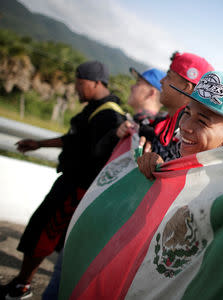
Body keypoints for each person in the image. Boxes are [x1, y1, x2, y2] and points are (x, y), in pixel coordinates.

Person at [1, 61, 126, 300]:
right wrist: (39, 143)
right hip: (70, 184)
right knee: (42, 233)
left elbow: (100, 158)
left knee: (44, 235)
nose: (77, 88)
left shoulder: (109, 115)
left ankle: (22, 287)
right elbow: (74, 139)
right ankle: (21, 283)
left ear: (97, 83)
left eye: (81, 83)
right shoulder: (95, 108)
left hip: (77, 189)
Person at [136, 70, 223, 180]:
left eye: (202, 122)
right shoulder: (175, 150)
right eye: (187, 113)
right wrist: (156, 165)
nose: (185, 126)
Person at [117, 51, 214, 162]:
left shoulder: (188, 140)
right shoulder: (158, 125)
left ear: (186, 88)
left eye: (169, 76)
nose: (161, 81)